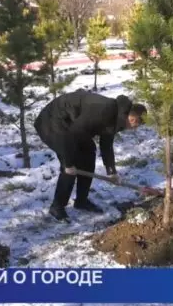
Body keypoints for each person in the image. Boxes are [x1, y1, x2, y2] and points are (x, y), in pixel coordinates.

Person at [34, 89, 148, 221]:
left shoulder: (117, 117)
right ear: (133, 119)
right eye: (136, 125)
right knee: (71, 164)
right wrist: (69, 163)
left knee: (89, 154)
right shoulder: (105, 110)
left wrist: (111, 172)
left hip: (73, 124)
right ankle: (57, 206)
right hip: (52, 121)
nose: (134, 129)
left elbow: (106, 144)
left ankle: (81, 201)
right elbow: (73, 133)